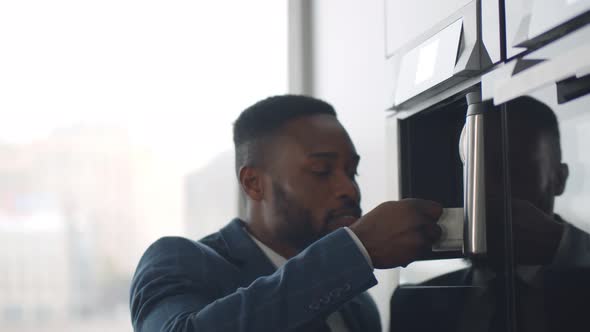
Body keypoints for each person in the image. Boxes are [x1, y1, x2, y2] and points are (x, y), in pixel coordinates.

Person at [130, 95, 443, 332]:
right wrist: (354, 252)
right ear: (253, 183)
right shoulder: (177, 260)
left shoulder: (357, 304)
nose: (349, 189)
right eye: (322, 171)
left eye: (352, 171)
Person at [390, 96, 590, 332]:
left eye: (513, 170)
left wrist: (565, 243)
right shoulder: (413, 306)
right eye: (474, 175)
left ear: (559, 179)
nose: (487, 191)